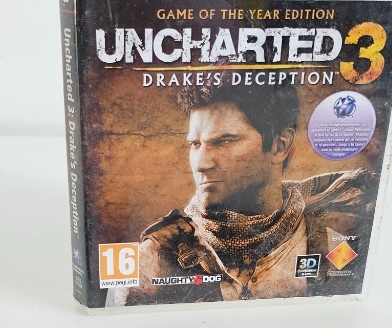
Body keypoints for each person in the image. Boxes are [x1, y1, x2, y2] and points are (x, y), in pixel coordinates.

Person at [107, 80, 376, 305]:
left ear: (280, 145)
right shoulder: (151, 257)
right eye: (195, 144)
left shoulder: (336, 233)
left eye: (224, 141)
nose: (201, 164)